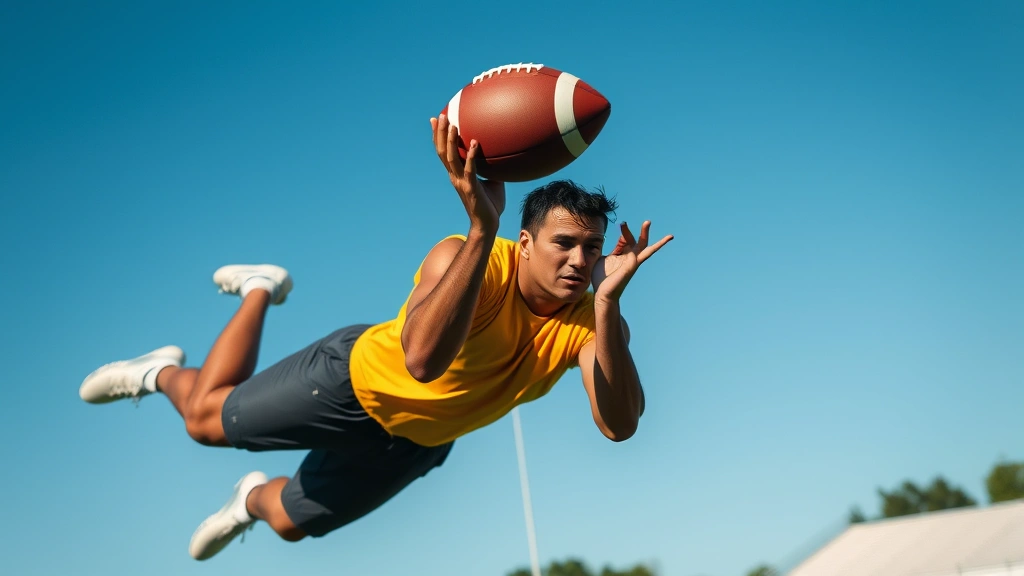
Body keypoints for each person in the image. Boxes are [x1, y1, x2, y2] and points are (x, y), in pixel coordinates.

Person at [78, 115, 673, 560]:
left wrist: (607, 305)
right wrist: (478, 227)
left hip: (417, 442)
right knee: (203, 423)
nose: (578, 260)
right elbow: (420, 361)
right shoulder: (471, 257)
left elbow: (619, 425)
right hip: (353, 383)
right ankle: (229, 313)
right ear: (523, 243)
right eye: (563, 244)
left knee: (287, 523)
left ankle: (247, 500)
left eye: (591, 248)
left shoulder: (590, 319)